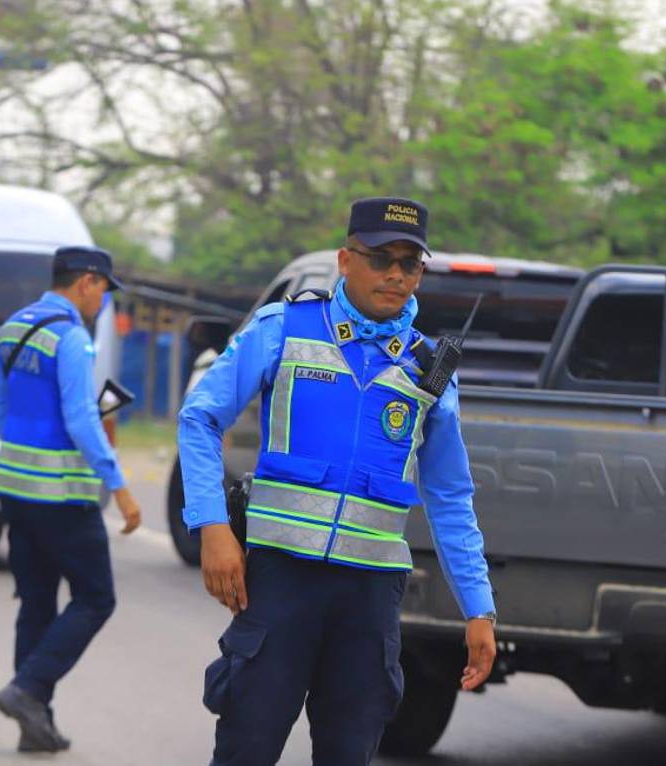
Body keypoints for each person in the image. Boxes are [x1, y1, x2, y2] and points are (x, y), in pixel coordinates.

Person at [178, 197, 498, 766]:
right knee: (245, 750)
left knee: (349, 754)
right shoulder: (284, 328)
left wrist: (479, 608)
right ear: (346, 261)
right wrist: (211, 528)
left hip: (369, 599)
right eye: (381, 258)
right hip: (280, 583)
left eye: (410, 262)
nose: (396, 274)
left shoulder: (429, 370)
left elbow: (450, 495)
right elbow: (200, 418)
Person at [0, 245, 142, 753]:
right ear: (87, 283)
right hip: (61, 494)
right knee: (96, 597)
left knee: (35, 600)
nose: (101, 303)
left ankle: (35, 724)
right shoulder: (71, 338)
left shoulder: (13, 328)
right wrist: (118, 486)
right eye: (103, 291)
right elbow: (80, 419)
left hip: (13, 486)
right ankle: (28, 690)